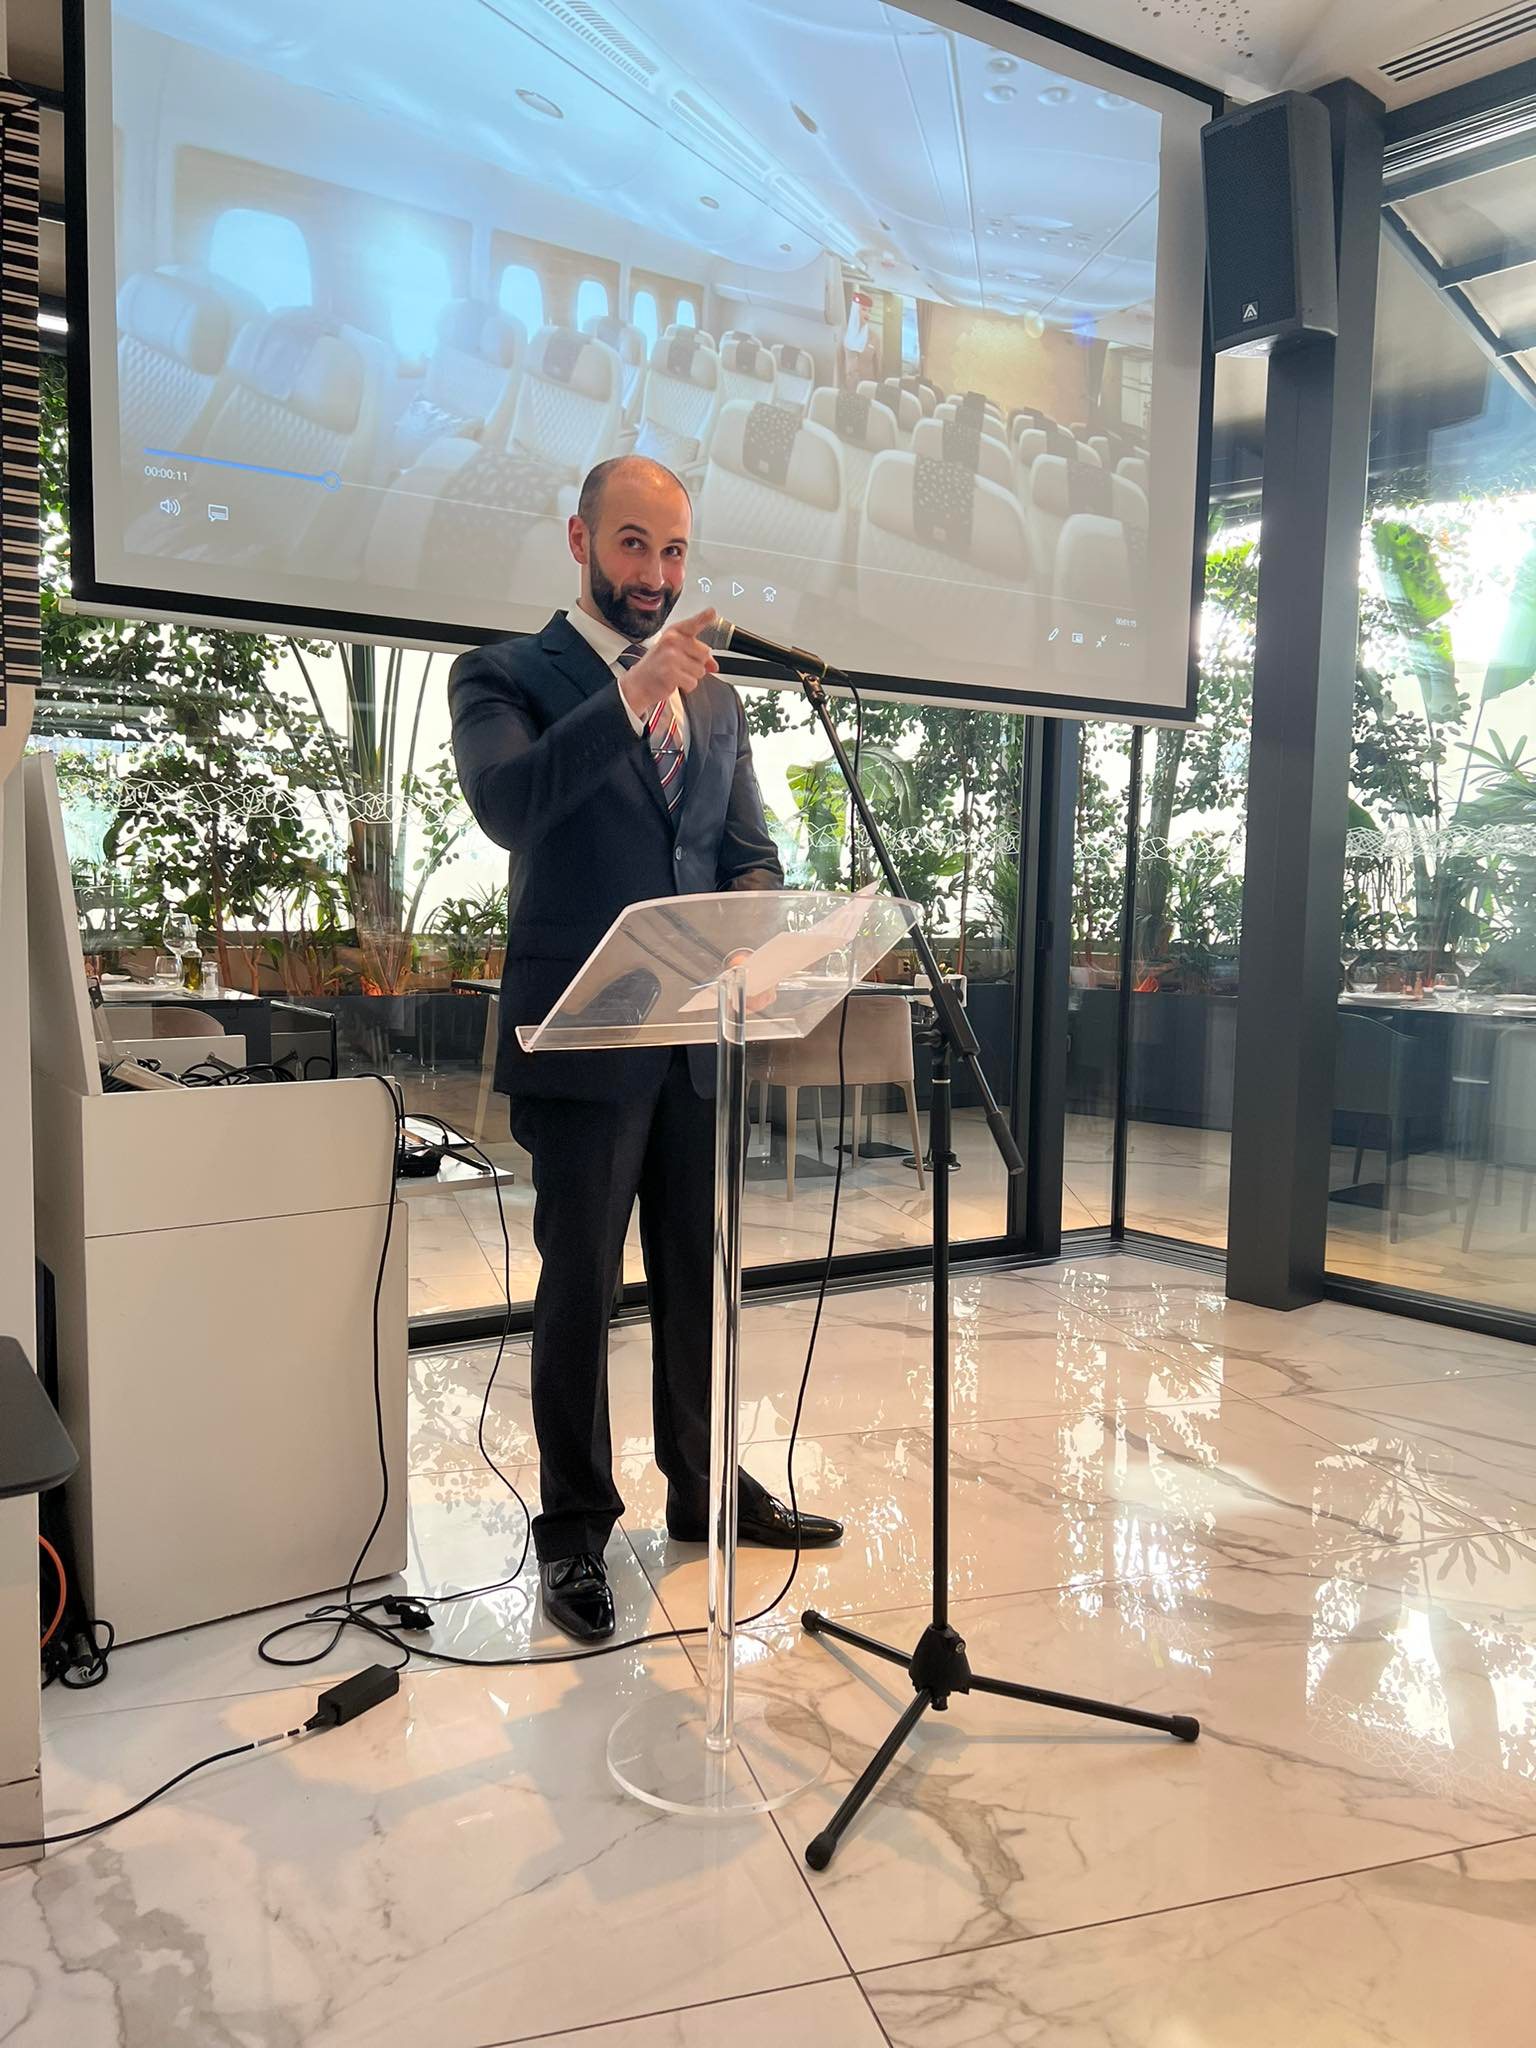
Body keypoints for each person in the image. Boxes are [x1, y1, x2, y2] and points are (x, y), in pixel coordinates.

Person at [448, 455, 843, 1642]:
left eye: (673, 551)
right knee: (580, 1286)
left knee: (692, 1273)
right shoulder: (505, 673)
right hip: (580, 1045)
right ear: (580, 539)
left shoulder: (716, 701)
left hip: (695, 1042)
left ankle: (702, 1482)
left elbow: (744, 849)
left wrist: (754, 926)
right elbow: (508, 806)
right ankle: (573, 1522)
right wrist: (628, 695)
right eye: (632, 545)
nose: (656, 575)